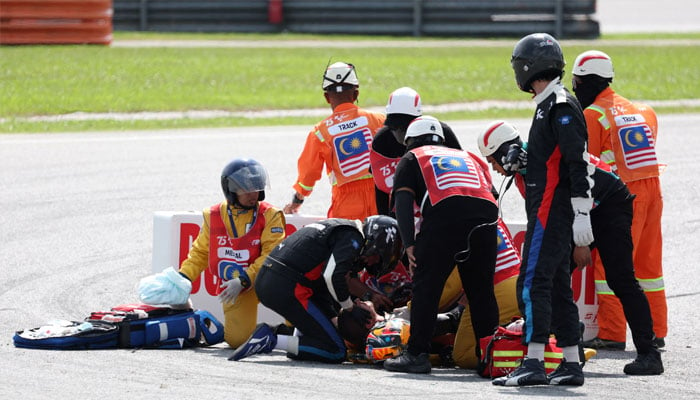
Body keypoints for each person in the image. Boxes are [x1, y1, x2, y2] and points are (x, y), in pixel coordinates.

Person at [479, 120, 664, 375]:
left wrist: (581, 240)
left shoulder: (542, 158)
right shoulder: (524, 173)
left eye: (493, 161)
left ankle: (649, 353)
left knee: (620, 279)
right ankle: (570, 338)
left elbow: (577, 193)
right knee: (550, 276)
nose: (494, 169)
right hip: (576, 213)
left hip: (608, 205)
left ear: (504, 152)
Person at [492, 33, 594, 387]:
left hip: (552, 209)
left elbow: (577, 161)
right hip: (547, 206)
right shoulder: (547, 103)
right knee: (556, 287)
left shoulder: (561, 105)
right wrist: (522, 160)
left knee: (532, 283)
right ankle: (570, 362)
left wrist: (582, 214)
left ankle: (533, 361)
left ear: (527, 66)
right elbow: (549, 159)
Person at [383, 116, 500, 374]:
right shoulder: (468, 156)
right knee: (481, 291)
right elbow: (492, 193)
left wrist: (410, 244)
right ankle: (489, 356)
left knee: (427, 287)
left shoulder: (413, 157)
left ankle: (416, 354)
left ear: (410, 140)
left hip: (445, 215)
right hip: (486, 216)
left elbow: (402, 203)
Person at [571, 50, 668, 352]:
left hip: (623, 196)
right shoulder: (643, 110)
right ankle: (656, 330)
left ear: (584, 81)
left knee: (611, 265)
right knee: (648, 266)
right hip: (653, 192)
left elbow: (590, 164)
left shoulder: (592, 115)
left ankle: (613, 332)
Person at [229, 215, 403, 364]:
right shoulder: (352, 237)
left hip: (280, 280)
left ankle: (287, 335)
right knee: (335, 351)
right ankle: (272, 340)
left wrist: (369, 295)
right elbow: (332, 276)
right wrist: (350, 308)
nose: (372, 263)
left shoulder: (344, 229)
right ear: (375, 240)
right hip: (288, 286)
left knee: (327, 332)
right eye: (377, 257)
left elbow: (342, 278)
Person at [176, 158, 286, 348]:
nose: (254, 194)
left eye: (257, 188)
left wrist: (244, 279)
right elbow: (200, 252)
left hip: (270, 280)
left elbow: (271, 255)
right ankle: (263, 332)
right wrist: (182, 279)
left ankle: (286, 330)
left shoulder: (271, 215)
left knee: (297, 306)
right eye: (246, 189)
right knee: (237, 341)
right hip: (238, 287)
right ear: (231, 190)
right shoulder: (214, 215)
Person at [283, 62, 386, 221]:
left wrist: (297, 201)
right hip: (382, 197)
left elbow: (308, 174)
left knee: (349, 242)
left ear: (326, 97)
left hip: (347, 204)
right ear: (356, 94)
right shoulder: (379, 120)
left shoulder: (320, 132)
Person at [369, 86, 463, 215]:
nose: (398, 132)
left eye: (403, 126)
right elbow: (380, 189)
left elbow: (461, 171)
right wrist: (385, 220)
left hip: (437, 205)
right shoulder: (382, 140)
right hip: (403, 206)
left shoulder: (441, 132)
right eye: (393, 126)